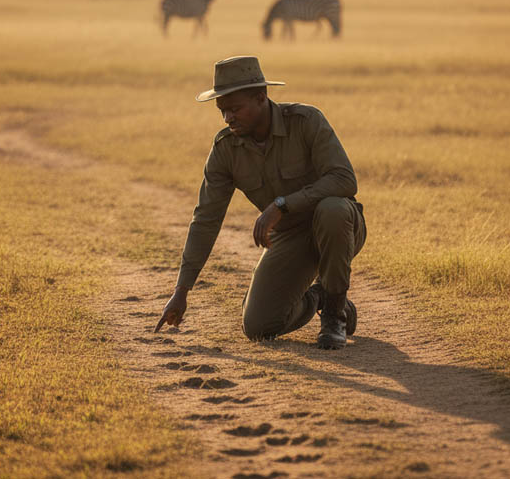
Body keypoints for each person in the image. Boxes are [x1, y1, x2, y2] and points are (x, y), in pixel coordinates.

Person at [155, 55, 366, 349]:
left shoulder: (306, 121)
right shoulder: (225, 150)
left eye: (235, 109)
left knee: (331, 209)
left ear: (261, 97)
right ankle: (323, 297)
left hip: (340, 226)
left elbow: (345, 180)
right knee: (258, 326)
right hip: (291, 237)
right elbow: (206, 219)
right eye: (222, 111)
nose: (228, 118)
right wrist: (182, 289)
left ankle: (334, 316)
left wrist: (281, 204)